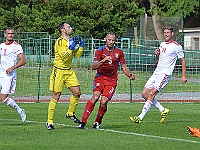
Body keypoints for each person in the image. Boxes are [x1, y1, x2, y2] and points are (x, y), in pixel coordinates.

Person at [78, 32, 135, 129]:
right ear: (105, 39)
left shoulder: (119, 52)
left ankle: (97, 122)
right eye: (109, 40)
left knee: (103, 102)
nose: (111, 42)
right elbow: (93, 66)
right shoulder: (100, 51)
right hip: (100, 77)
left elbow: (124, 66)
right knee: (95, 97)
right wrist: (103, 60)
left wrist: (129, 75)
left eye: (113, 40)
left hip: (112, 80)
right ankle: (83, 122)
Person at [130, 26, 187, 124]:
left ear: (172, 34)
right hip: (156, 72)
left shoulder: (177, 46)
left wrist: (183, 76)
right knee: (144, 94)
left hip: (165, 74)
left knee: (152, 93)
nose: (166, 34)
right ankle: (162, 110)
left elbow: (183, 61)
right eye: (165, 32)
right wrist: (156, 53)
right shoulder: (162, 44)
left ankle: (140, 117)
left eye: (168, 32)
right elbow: (161, 57)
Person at [46, 21, 84, 130]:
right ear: (63, 30)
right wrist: (71, 48)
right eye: (69, 27)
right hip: (58, 72)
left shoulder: (71, 40)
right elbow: (64, 57)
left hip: (68, 71)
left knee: (77, 93)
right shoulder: (59, 42)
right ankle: (50, 121)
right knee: (56, 95)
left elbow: (77, 55)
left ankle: (70, 113)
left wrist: (80, 46)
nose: (71, 28)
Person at [0, 27, 27, 122]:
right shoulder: (1, 45)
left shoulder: (16, 46)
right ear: (5, 35)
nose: (10, 35)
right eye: (8, 33)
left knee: (3, 98)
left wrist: (12, 68)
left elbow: (23, 61)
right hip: (0, 74)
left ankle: (20, 110)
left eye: (12, 33)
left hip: (9, 76)